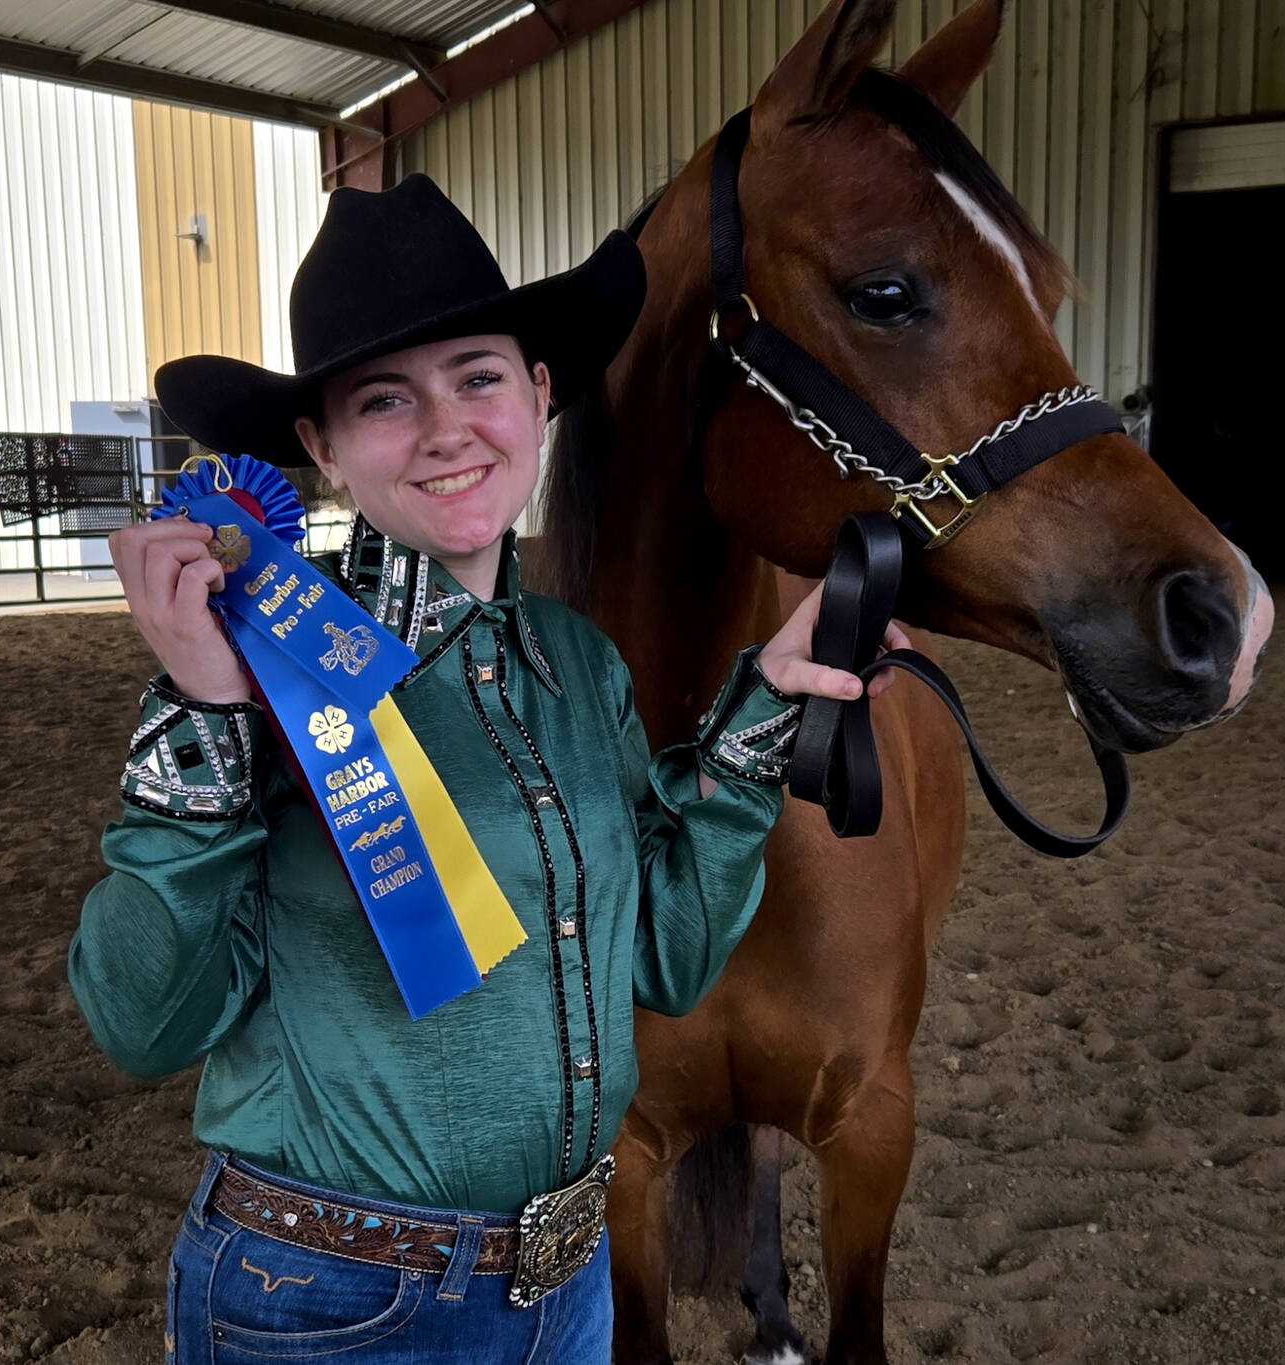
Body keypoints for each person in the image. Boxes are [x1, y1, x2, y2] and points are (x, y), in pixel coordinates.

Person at [69, 174, 904, 1363]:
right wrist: (203, 710)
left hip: (566, 1291)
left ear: (540, 394)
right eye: (384, 401)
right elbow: (142, 1022)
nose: (448, 427)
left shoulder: (575, 663)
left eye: (478, 377)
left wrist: (760, 709)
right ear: (322, 448)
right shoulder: (254, 671)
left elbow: (663, 959)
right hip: (329, 1305)